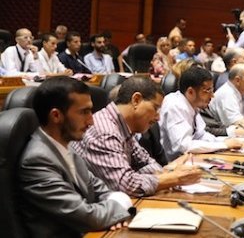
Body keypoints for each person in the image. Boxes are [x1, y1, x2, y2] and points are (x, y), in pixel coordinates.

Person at [18, 76, 130, 236]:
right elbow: (89, 216)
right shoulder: (36, 160)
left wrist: (113, 212)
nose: (91, 121)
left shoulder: (67, 147)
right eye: (84, 112)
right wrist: (120, 205)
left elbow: (100, 190)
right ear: (56, 116)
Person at [71, 76, 203, 196]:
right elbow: (126, 185)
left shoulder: (123, 126)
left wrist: (166, 174)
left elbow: (145, 161)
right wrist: (174, 178)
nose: (158, 117)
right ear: (136, 100)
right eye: (155, 108)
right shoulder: (105, 132)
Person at [159, 66, 243, 161]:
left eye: (212, 90)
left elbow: (201, 135)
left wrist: (225, 141)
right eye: (207, 90)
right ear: (190, 92)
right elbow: (184, 146)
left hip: (189, 159)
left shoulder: (192, 105)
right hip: (171, 164)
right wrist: (223, 145)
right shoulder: (175, 105)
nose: (212, 95)